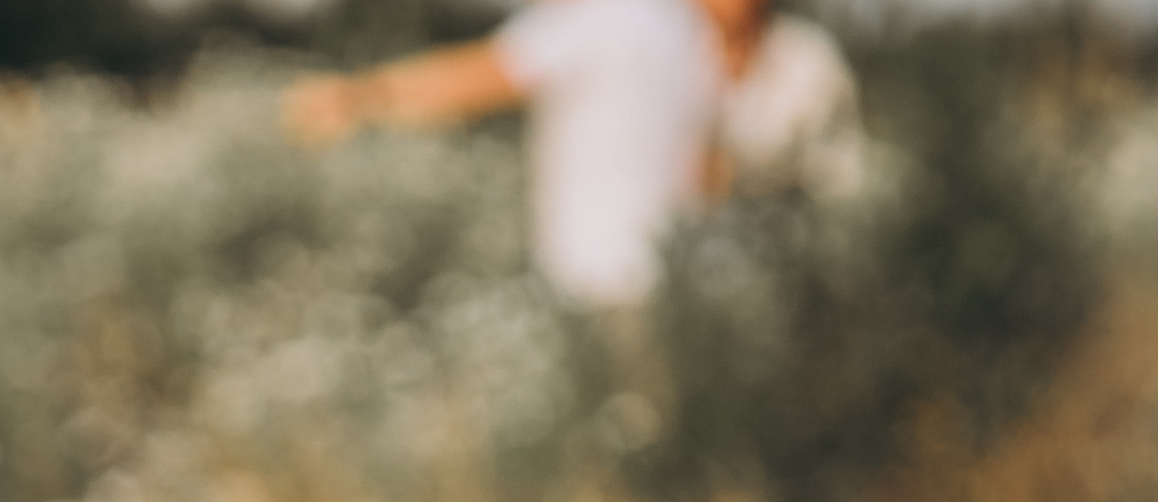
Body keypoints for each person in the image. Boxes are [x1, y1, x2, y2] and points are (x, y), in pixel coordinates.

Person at [286, 0, 862, 313]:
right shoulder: (686, 34)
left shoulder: (614, 18)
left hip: (598, 284)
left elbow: (479, 78)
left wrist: (359, 96)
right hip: (682, 285)